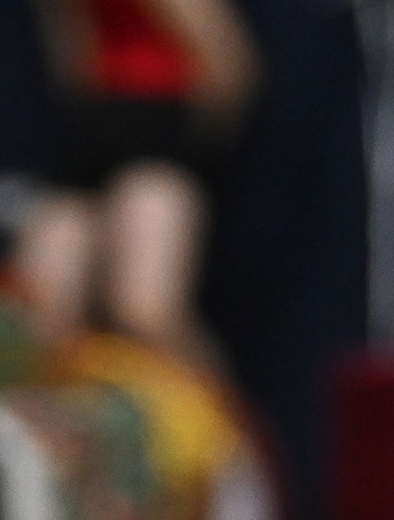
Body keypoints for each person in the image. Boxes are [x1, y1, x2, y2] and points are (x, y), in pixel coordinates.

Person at [14, 0, 256, 360]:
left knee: (146, 313)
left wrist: (183, 147)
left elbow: (228, 65)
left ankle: (220, 415)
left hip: (158, 133)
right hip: (93, 136)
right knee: (34, 315)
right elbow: (75, 59)